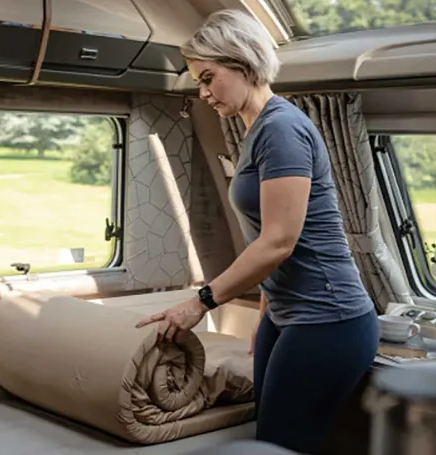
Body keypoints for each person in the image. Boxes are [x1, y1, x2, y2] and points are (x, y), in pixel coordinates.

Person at [135, 9, 380, 455]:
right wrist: (268, 308)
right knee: (270, 439)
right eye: (199, 81)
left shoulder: (282, 129)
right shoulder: (255, 130)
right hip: (288, 314)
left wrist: (200, 303)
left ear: (244, 63)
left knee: (281, 444)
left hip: (329, 318)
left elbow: (279, 242)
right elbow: (268, 233)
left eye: (209, 78)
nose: (203, 92)